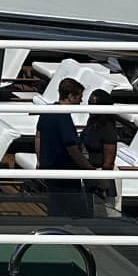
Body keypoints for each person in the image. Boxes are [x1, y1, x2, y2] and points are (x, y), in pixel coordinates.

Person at [34, 78, 91, 217]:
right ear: (71, 96)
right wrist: (89, 170)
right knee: (80, 215)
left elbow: (38, 137)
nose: (81, 101)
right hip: (65, 174)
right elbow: (72, 149)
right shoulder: (64, 119)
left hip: (49, 169)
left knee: (55, 208)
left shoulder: (47, 112)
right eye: (79, 97)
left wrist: (40, 160)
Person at [80, 89, 121, 213]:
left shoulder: (107, 128)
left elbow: (109, 161)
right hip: (91, 172)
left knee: (108, 212)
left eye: (93, 104)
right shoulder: (92, 122)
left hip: (103, 173)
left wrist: (103, 180)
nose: (90, 107)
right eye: (89, 103)